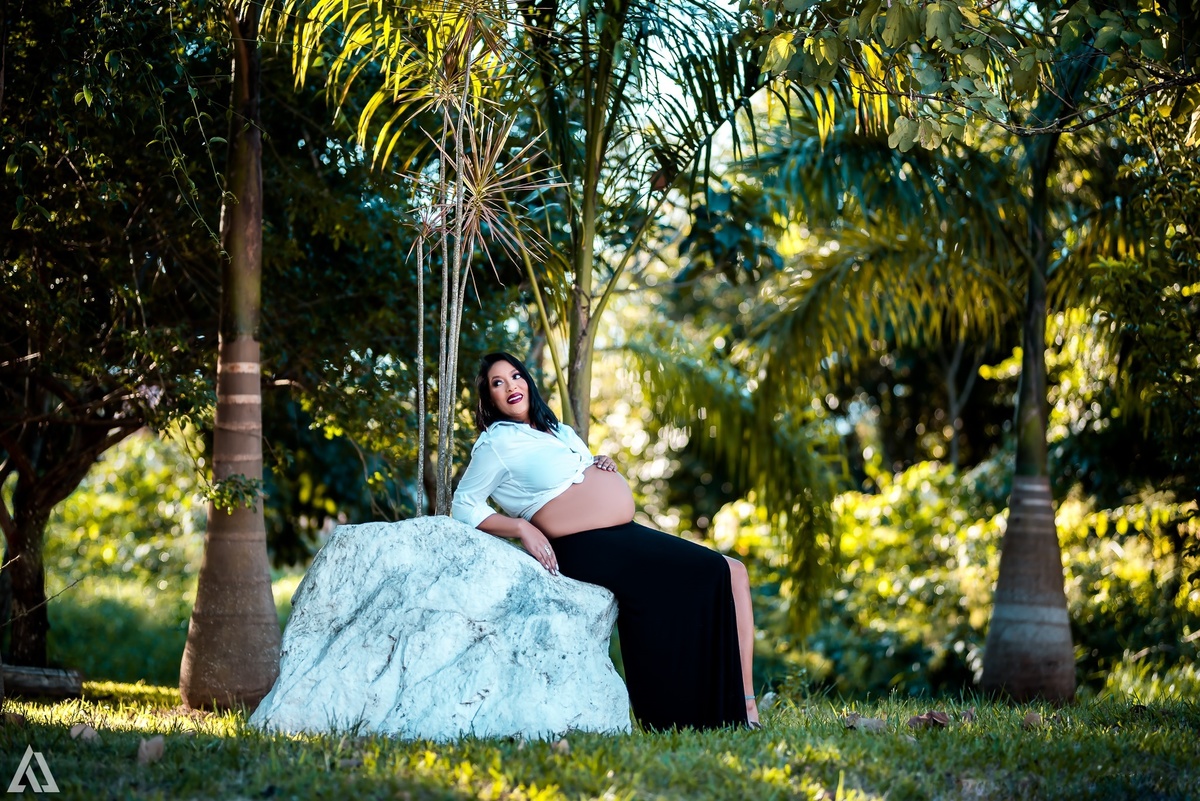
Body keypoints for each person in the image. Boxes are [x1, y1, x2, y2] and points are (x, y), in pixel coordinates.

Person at [452, 352, 761, 730]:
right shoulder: (496, 443)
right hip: (582, 547)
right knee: (713, 571)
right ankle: (695, 714)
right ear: (489, 398)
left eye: (515, 376)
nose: (510, 386)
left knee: (734, 572)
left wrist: (599, 463)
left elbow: (570, 475)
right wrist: (521, 528)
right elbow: (463, 504)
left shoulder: (557, 430)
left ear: (527, 381)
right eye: (497, 383)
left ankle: (745, 706)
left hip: (617, 537)